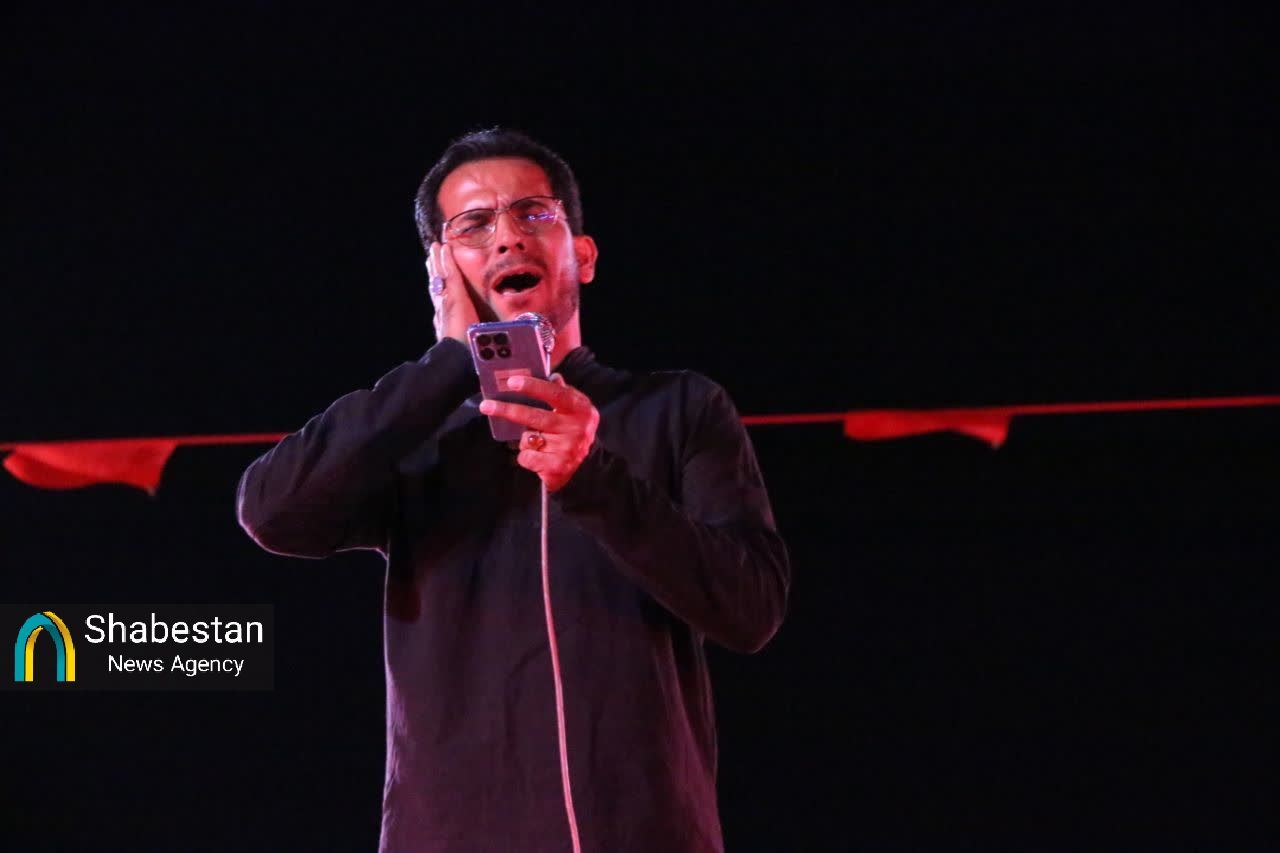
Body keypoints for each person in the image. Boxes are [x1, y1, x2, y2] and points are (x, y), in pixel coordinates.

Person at [236, 128, 790, 852]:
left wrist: (593, 479)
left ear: (582, 254)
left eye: (533, 213)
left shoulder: (679, 408)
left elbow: (751, 609)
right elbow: (273, 511)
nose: (506, 238)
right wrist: (448, 362)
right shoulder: (415, 434)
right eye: (473, 225)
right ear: (439, 269)